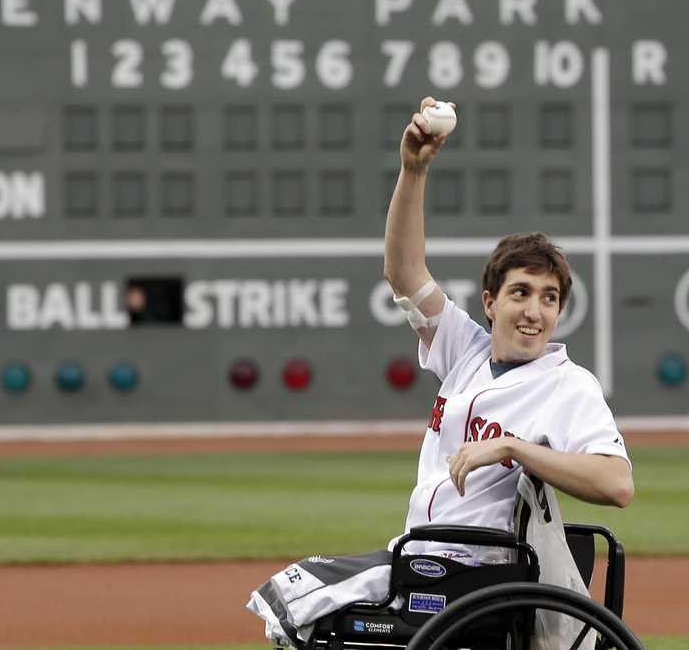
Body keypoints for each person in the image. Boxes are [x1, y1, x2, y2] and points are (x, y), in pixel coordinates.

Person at [247, 96, 633, 647]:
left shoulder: (568, 384)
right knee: (298, 598)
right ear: (490, 302)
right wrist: (414, 170)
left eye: (549, 298)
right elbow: (403, 272)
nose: (534, 311)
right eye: (520, 293)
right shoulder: (464, 350)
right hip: (422, 556)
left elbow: (617, 485)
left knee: (303, 608)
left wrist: (513, 448)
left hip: (476, 572)